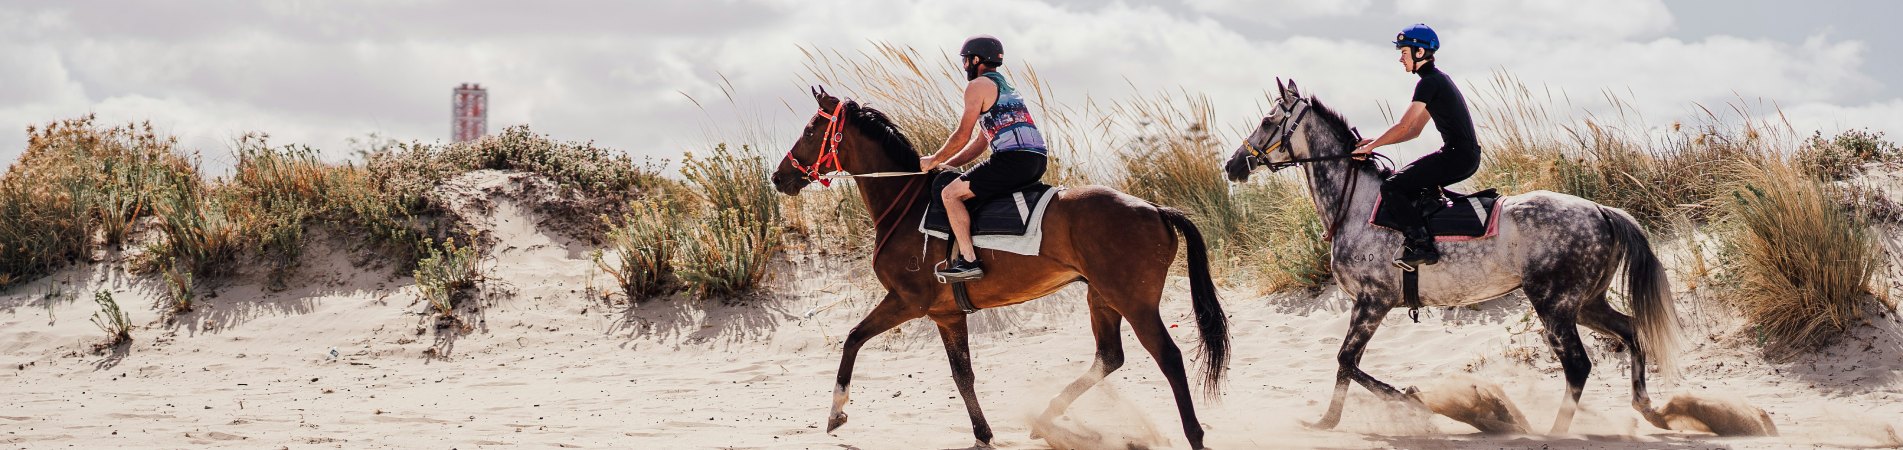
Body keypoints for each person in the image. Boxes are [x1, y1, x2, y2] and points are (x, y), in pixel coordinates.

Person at [918, 35, 1049, 282]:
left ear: (976, 60)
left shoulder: (977, 86)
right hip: (1037, 160)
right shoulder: (1006, 88)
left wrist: (933, 160)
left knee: (950, 194)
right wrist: (951, 164)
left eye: (966, 60)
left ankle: (968, 261)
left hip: (1012, 161)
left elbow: (961, 135)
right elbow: (980, 142)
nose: (965, 65)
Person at [1351, 23, 1481, 271]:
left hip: (1456, 156)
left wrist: (1371, 147)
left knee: (1391, 187)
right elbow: (1413, 131)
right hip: (1463, 156)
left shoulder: (1429, 83)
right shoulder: (1437, 80)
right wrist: (1375, 142)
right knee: (1411, 184)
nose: (1400, 58)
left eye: (1404, 52)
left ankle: (1421, 245)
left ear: (1419, 53)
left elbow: (1403, 125)